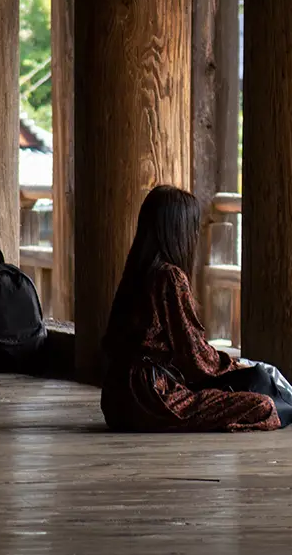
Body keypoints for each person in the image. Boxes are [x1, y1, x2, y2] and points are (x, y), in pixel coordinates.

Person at [100, 185, 280, 433]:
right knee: (263, 406)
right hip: (152, 397)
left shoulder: (136, 273)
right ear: (179, 230)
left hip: (115, 400)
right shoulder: (169, 277)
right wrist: (235, 365)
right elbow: (194, 355)